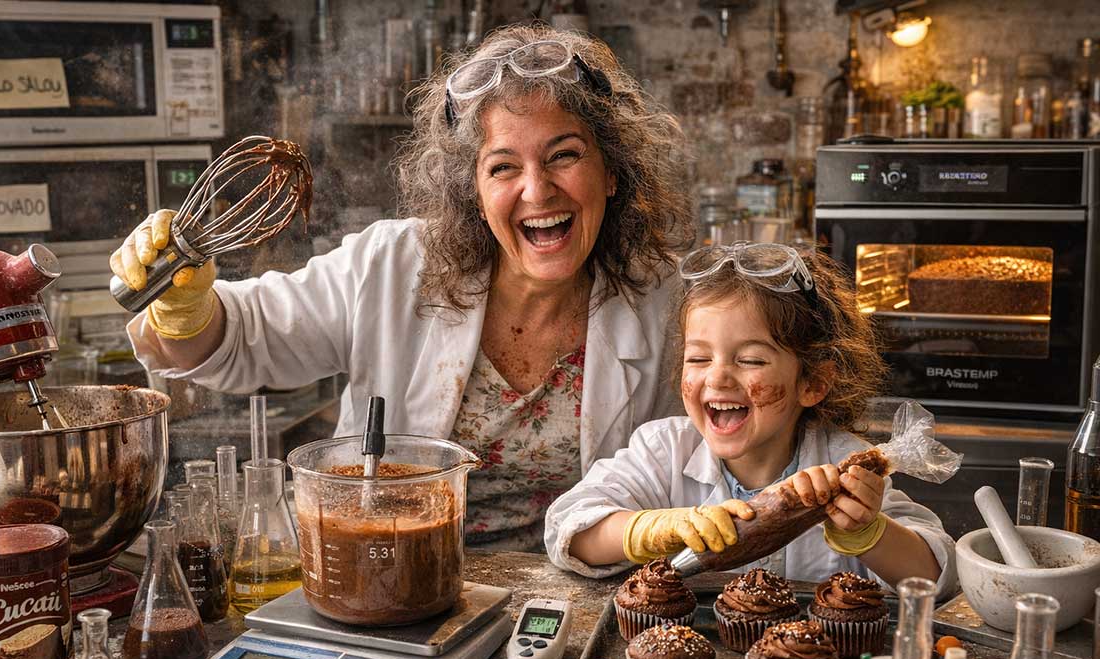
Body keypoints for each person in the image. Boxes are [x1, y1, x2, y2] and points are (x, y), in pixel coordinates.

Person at [109, 26, 691, 551]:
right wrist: (185, 309)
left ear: (612, 172)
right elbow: (241, 340)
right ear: (473, 190)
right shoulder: (392, 264)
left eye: (564, 155)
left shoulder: (664, 303)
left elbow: (706, 458)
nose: (537, 192)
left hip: (577, 603)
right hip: (383, 579)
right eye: (503, 167)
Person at [544, 242, 957, 598]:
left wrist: (869, 533)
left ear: (812, 381)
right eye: (699, 358)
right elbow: (567, 528)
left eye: (751, 360)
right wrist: (651, 530)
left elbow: (938, 576)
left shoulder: (848, 465)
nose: (718, 377)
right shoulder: (662, 450)